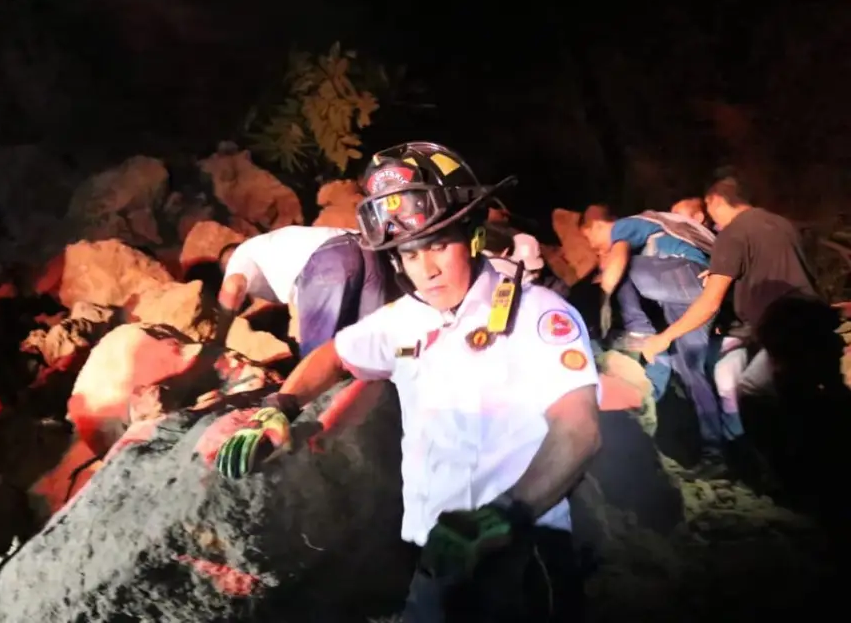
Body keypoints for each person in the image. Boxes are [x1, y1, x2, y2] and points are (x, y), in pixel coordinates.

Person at [213, 142, 601, 622]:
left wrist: (508, 515)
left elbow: (578, 430)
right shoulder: (405, 320)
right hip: (434, 554)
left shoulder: (538, 312)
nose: (427, 269)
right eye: (410, 255)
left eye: (439, 245)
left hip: (521, 553)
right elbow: (336, 354)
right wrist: (281, 405)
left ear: (475, 237)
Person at [637, 173, 822, 442]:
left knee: (753, 392)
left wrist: (664, 337)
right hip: (812, 318)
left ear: (716, 201)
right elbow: (771, 268)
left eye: (710, 209)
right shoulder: (782, 224)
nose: (711, 219)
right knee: (797, 395)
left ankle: (763, 463)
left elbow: (709, 303)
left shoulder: (733, 233)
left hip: (784, 329)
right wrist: (721, 272)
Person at [582, 208, 726, 454]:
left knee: (617, 266)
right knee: (688, 367)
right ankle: (714, 445)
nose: (595, 248)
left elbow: (618, 260)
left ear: (595, 225)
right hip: (696, 297)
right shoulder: (654, 242)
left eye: (590, 240)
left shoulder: (627, 224)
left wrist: (605, 295)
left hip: (685, 275)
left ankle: (638, 327)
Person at [216, 225, 388, 357]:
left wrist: (218, 340)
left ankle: (321, 400)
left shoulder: (240, 254)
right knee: (375, 344)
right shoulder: (274, 249)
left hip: (329, 259)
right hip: (366, 248)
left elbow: (232, 286)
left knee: (315, 359)